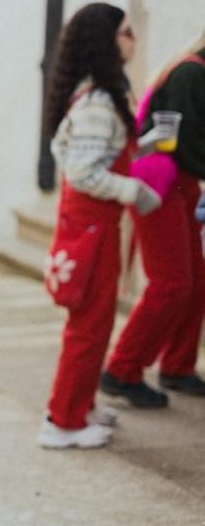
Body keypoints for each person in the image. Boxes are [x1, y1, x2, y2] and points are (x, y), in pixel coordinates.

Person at [38, 3, 162, 448]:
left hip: (94, 229)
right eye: (127, 31)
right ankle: (63, 422)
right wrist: (135, 191)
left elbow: (82, 157)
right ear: (106, 41)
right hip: (92, 231)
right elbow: (83, 173)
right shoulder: (98, 103)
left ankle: (80, 407)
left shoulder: (97, 96)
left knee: (96, 323)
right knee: (88, 328)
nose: (133, 38)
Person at [103, 33, 205, 401]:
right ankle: (121, 370)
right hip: (161, 184)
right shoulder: (191, 73)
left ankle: (177, 367)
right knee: (171, 282)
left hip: (182, 184)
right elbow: (184, 144)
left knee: (196, 281)